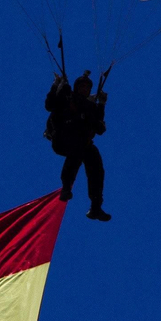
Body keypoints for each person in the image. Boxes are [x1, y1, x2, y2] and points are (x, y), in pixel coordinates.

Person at [45, 69, 110, 221]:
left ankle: (96, 206)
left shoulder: (90, 107)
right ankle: (66, 187)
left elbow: (99, 128)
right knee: (78, 149)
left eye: (87, 87)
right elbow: (50, 105)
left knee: (96, 165)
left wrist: (102, 104)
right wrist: (56, 86)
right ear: (76, 87)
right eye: (82, 86)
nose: (85, 89)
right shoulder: (67, 98)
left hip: (82, 143)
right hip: (63, 139)